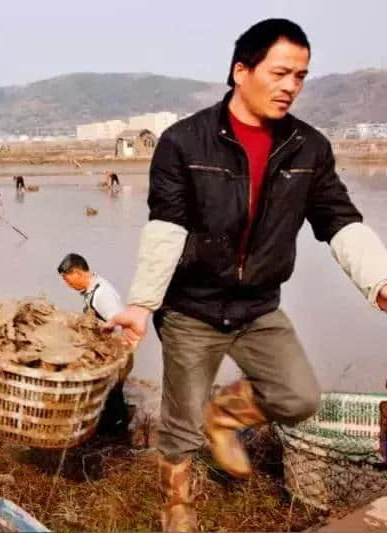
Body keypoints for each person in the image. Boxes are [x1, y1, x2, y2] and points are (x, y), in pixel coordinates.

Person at [105, 19, 387, 532]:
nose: (291, 87)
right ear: (242, 70)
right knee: (179, 426)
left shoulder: (309, 148)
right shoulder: (185, 142)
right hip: (191, 307)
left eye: (301, 76)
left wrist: (380, 281)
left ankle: (225, 415)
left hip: (258, 306)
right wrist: (143, 304)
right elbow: (166, 226)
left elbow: (339, 221)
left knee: (299, 397)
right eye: (280, 73)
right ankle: (178, 509)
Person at [57, 253, 133, 433]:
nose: (67, 285)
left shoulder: (101, 295)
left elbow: (122, 326)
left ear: (78, 273)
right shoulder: (93, 288)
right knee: (110, 398)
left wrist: (116, 361)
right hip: (112, 354)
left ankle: (117, 435)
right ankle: (117, 427)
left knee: (111, 398)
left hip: (118, 356)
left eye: (68, 280)